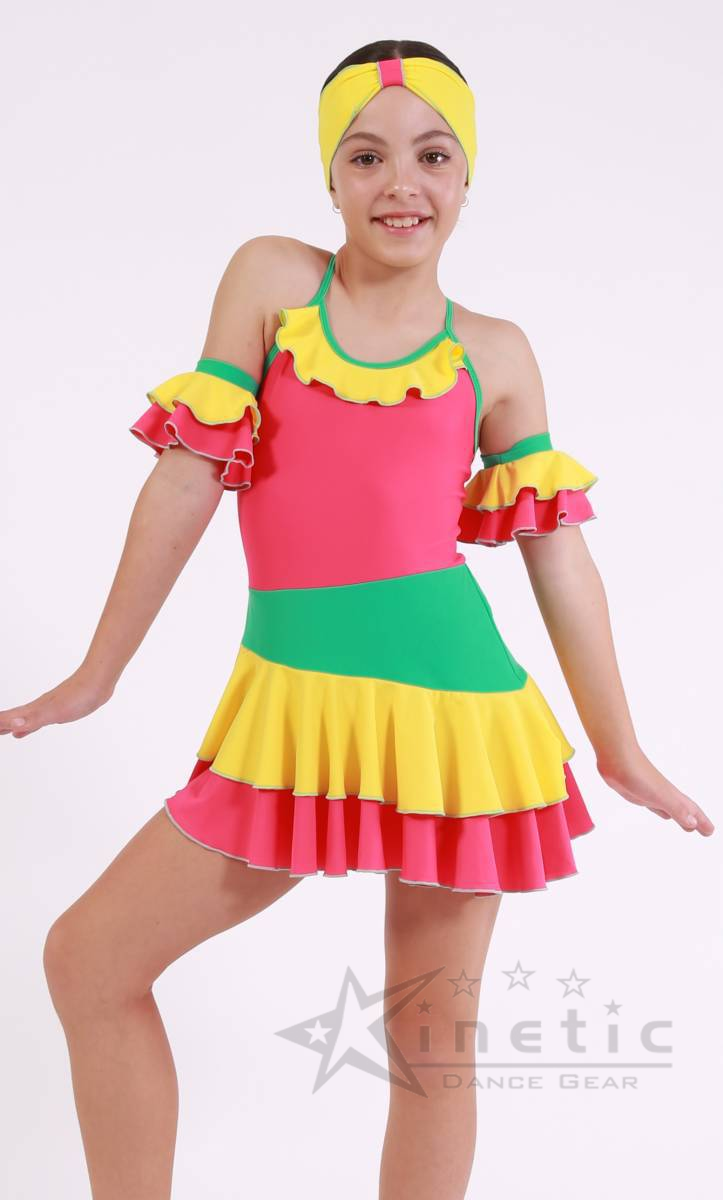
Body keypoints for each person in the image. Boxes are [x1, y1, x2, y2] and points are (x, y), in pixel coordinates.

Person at [1, 36, 714, 1200]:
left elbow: (561, 560)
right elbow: (186, 479)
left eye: (434, 155)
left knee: (429, 1044)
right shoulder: (275, 285)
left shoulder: (495, 354)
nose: (401, 184)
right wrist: (98, 674)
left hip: (460, 723)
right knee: (89, 961)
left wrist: (619, 748)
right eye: (366, 155)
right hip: (295, 713)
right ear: (329, 176)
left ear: (468, 175)